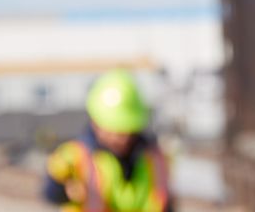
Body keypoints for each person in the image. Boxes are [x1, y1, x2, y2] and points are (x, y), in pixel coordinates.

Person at [45, 70, 172, 212]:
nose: (120, 138)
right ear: (95, 123)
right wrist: (64, 190)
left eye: (125, 130)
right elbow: (50, 192)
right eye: (113, 130)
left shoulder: (155, 159)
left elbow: (165, 202)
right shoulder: (74, 156)